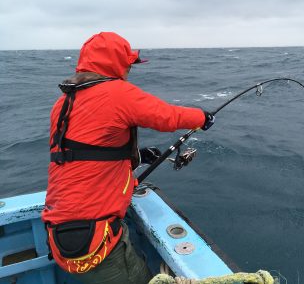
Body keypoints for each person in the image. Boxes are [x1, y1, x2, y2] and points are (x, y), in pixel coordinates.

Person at [41, 32, 215, 284]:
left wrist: (136, 157)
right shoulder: (116, 92)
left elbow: (85, 153)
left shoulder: (64, 102)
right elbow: (166, 116)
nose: (129, 70)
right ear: (114, 63)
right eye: (127, 64)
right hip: (96, 240)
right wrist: (203, 118)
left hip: (59, 232)